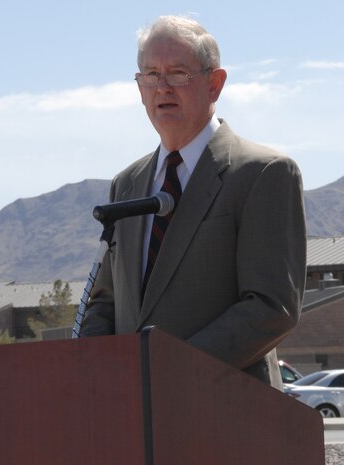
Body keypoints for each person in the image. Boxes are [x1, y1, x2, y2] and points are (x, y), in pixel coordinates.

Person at [79, 15, 306, 390]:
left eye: (178, 73)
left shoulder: (263, 174)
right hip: (131, 413)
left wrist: (169, 371)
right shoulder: (127, 185)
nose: (162, 87)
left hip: (226, 411)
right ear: (139, 88)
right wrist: (94, 367)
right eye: (150, 75)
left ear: (214, 84)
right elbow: (106, 302)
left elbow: (271, 308)